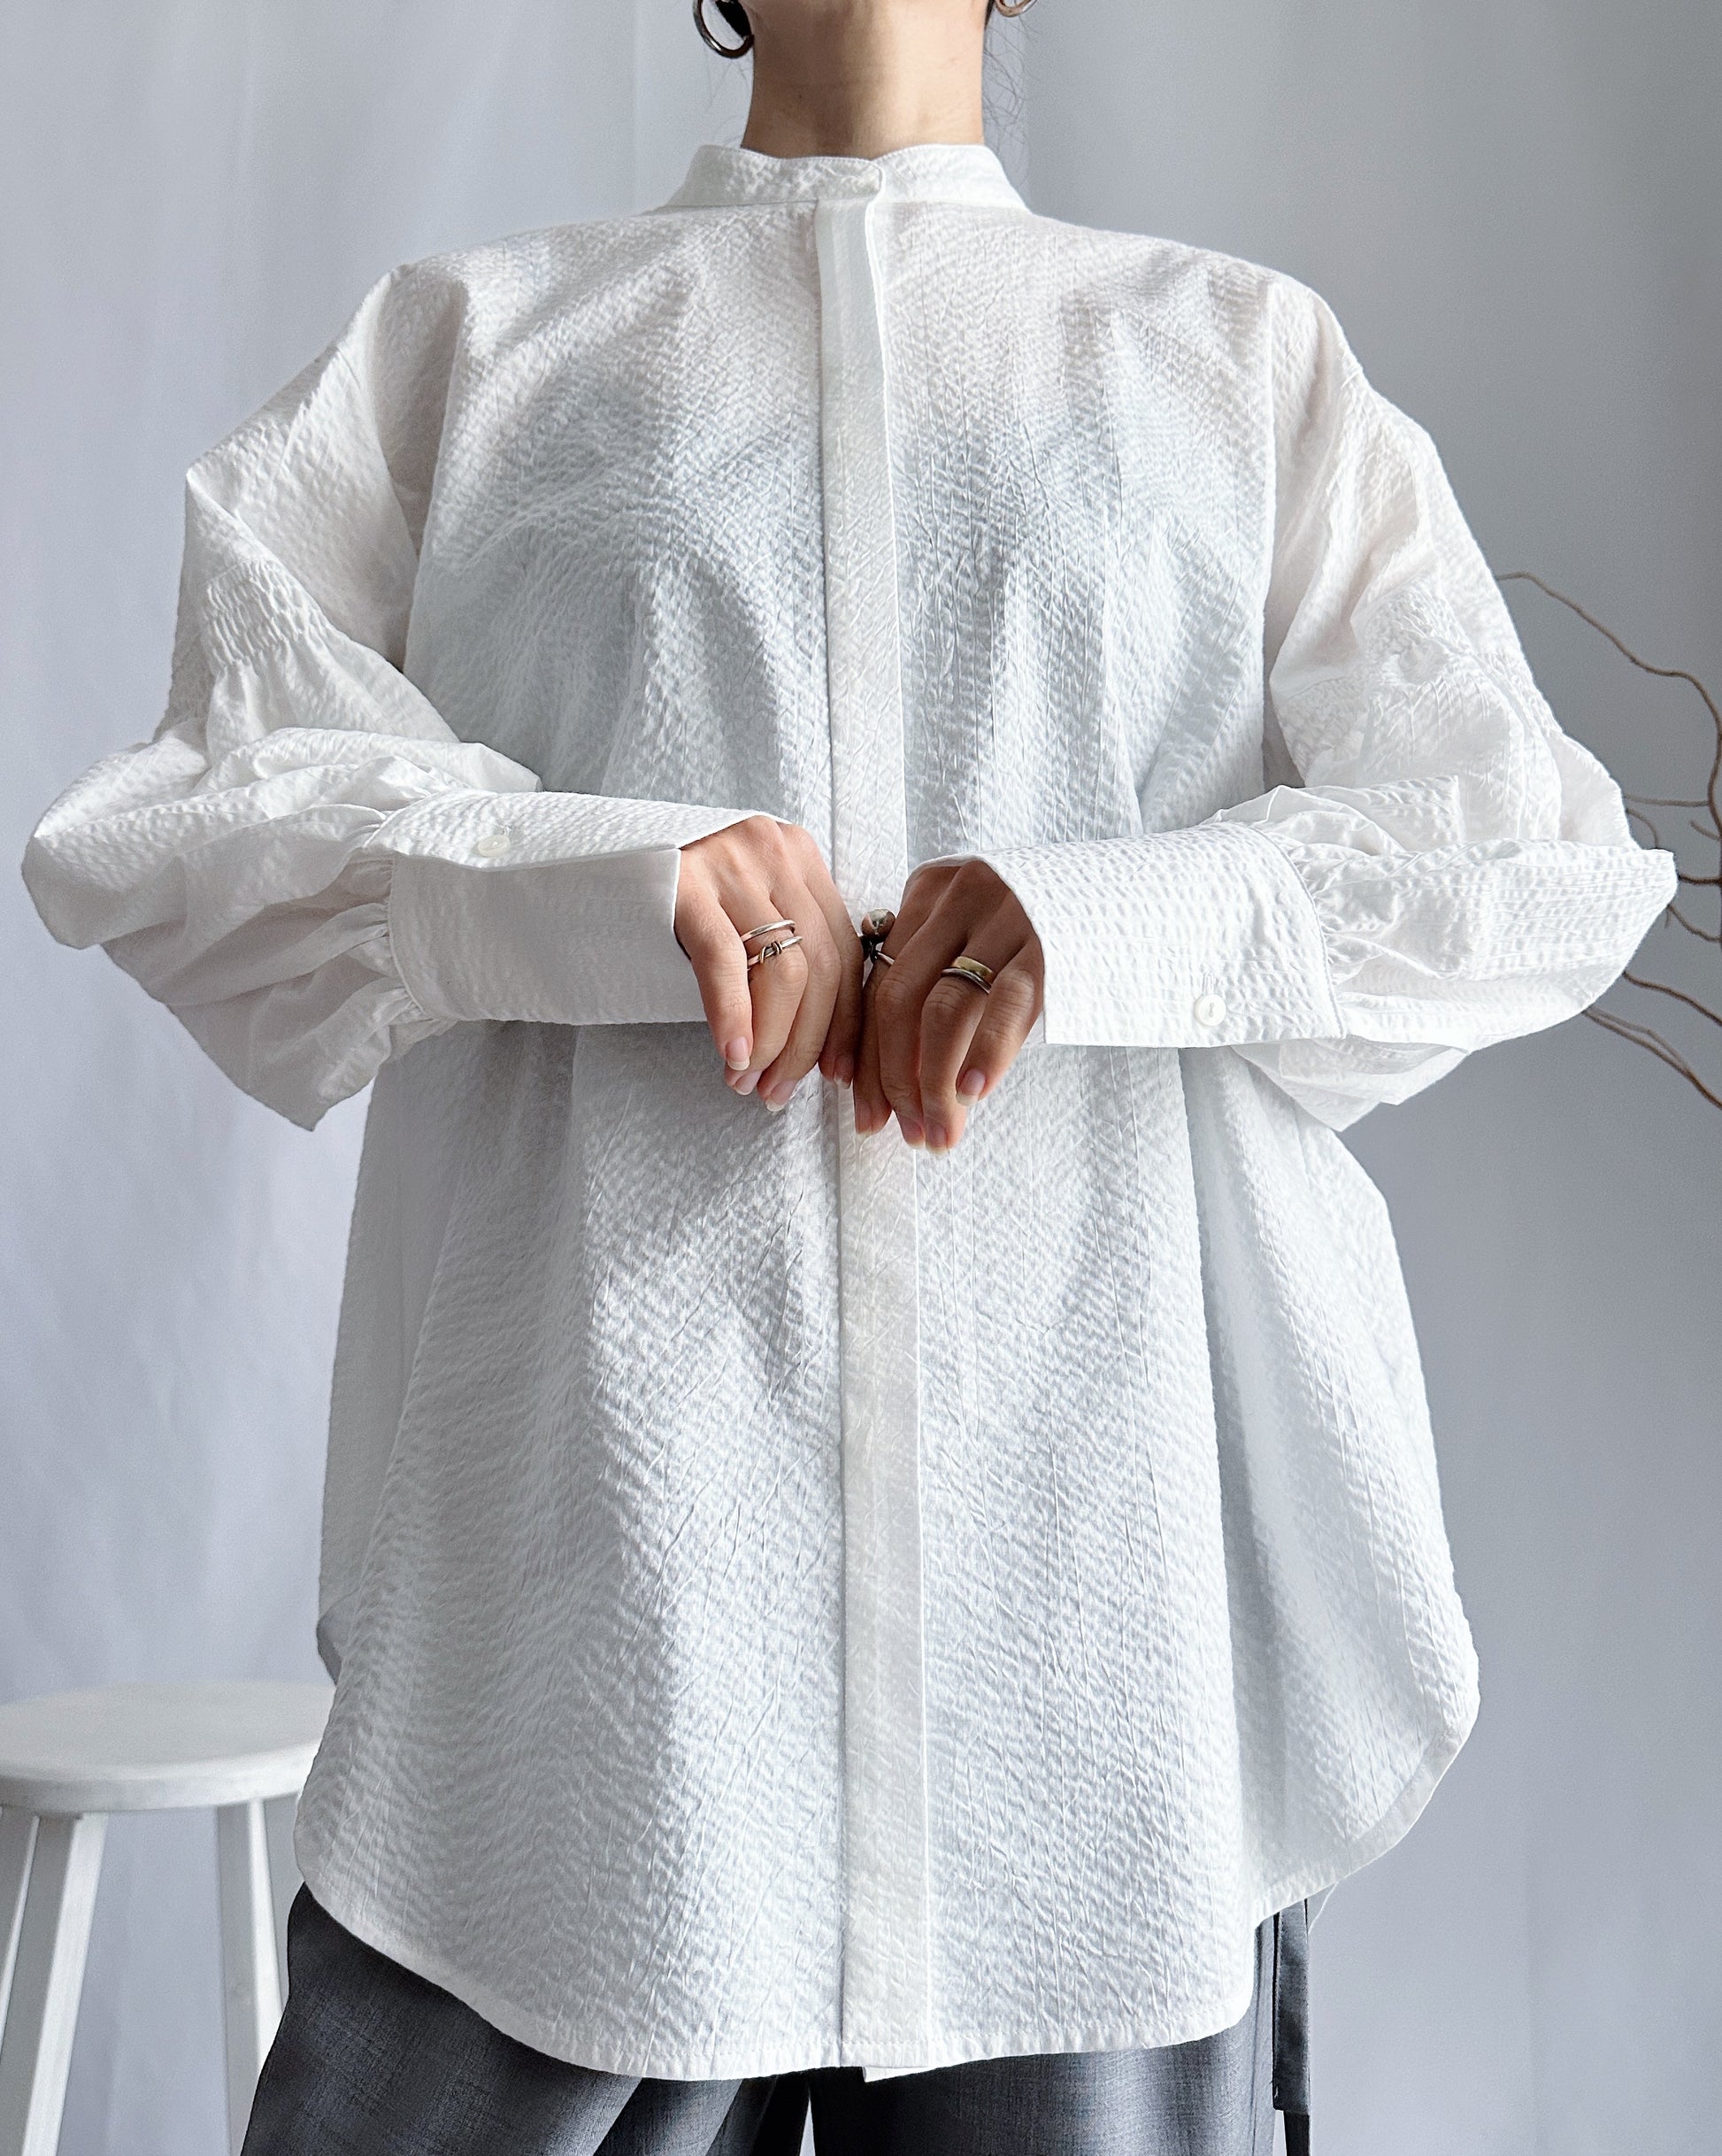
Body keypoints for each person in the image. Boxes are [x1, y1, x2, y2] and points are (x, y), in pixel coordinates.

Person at [21, 1, 1676, 2150]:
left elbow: (1518, 852)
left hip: (1087, 1657)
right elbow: (185, 827)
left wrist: (1104, 922)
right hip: (592, 1659)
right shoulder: (475, 350)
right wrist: (595, 879)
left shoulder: (1232, 359)